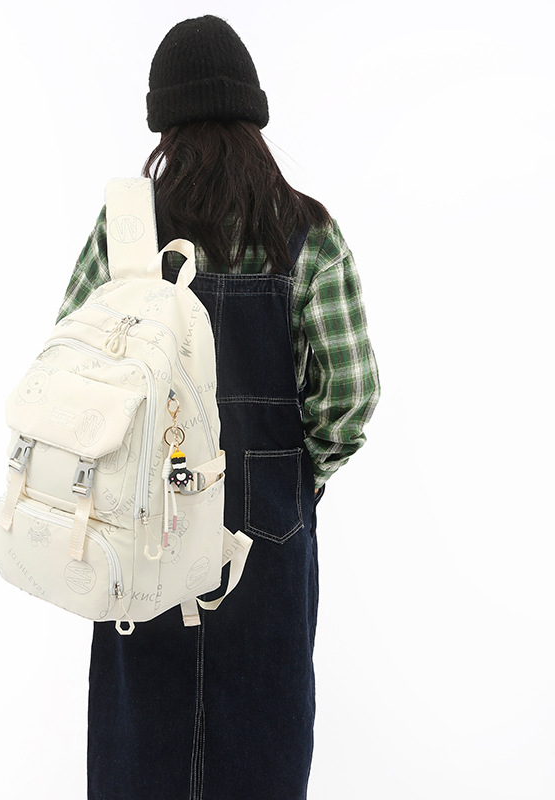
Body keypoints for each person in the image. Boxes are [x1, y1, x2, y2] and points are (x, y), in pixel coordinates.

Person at [55, 15, 381, 800]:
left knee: (142, 745)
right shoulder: (308, 233)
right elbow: (351, 395)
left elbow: (71, 373)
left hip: (142, 521)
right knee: (263, 736)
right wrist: (295, 478)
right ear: (252, 117)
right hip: (269, 523)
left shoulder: (127, 232)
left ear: (164, 125)